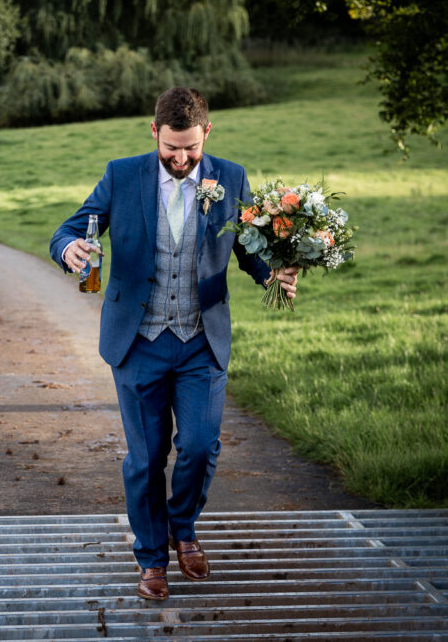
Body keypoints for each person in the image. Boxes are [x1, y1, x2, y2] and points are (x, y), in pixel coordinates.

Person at [49, 87, 299, 600]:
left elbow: (249, 248)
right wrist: (69, 246)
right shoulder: (122, 175)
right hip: (137, 342)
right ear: (153, 133)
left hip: (200, 342)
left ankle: (182, 528)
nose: (181, 159)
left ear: (206, 133)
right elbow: (70, 228)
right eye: (171, 148)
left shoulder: (231, 178)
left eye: (190, 148)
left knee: (200, 447)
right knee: (146, 458)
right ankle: (151, 558)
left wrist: (273, 273)